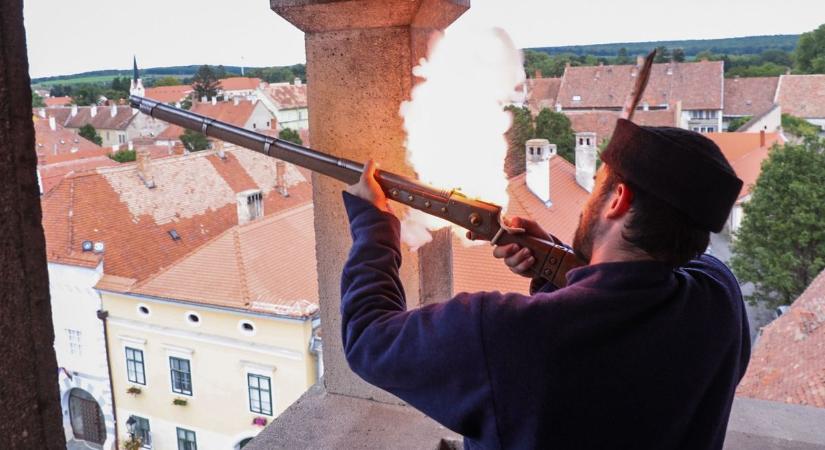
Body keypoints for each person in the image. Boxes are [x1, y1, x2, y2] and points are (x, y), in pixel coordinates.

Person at [340, 119, 750, 450]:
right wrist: (554, 262)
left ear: (618, 199)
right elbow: (627, 291)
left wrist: (372, 223)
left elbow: (368, 338)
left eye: (598, 186)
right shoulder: (720, 295)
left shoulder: (507, 331)